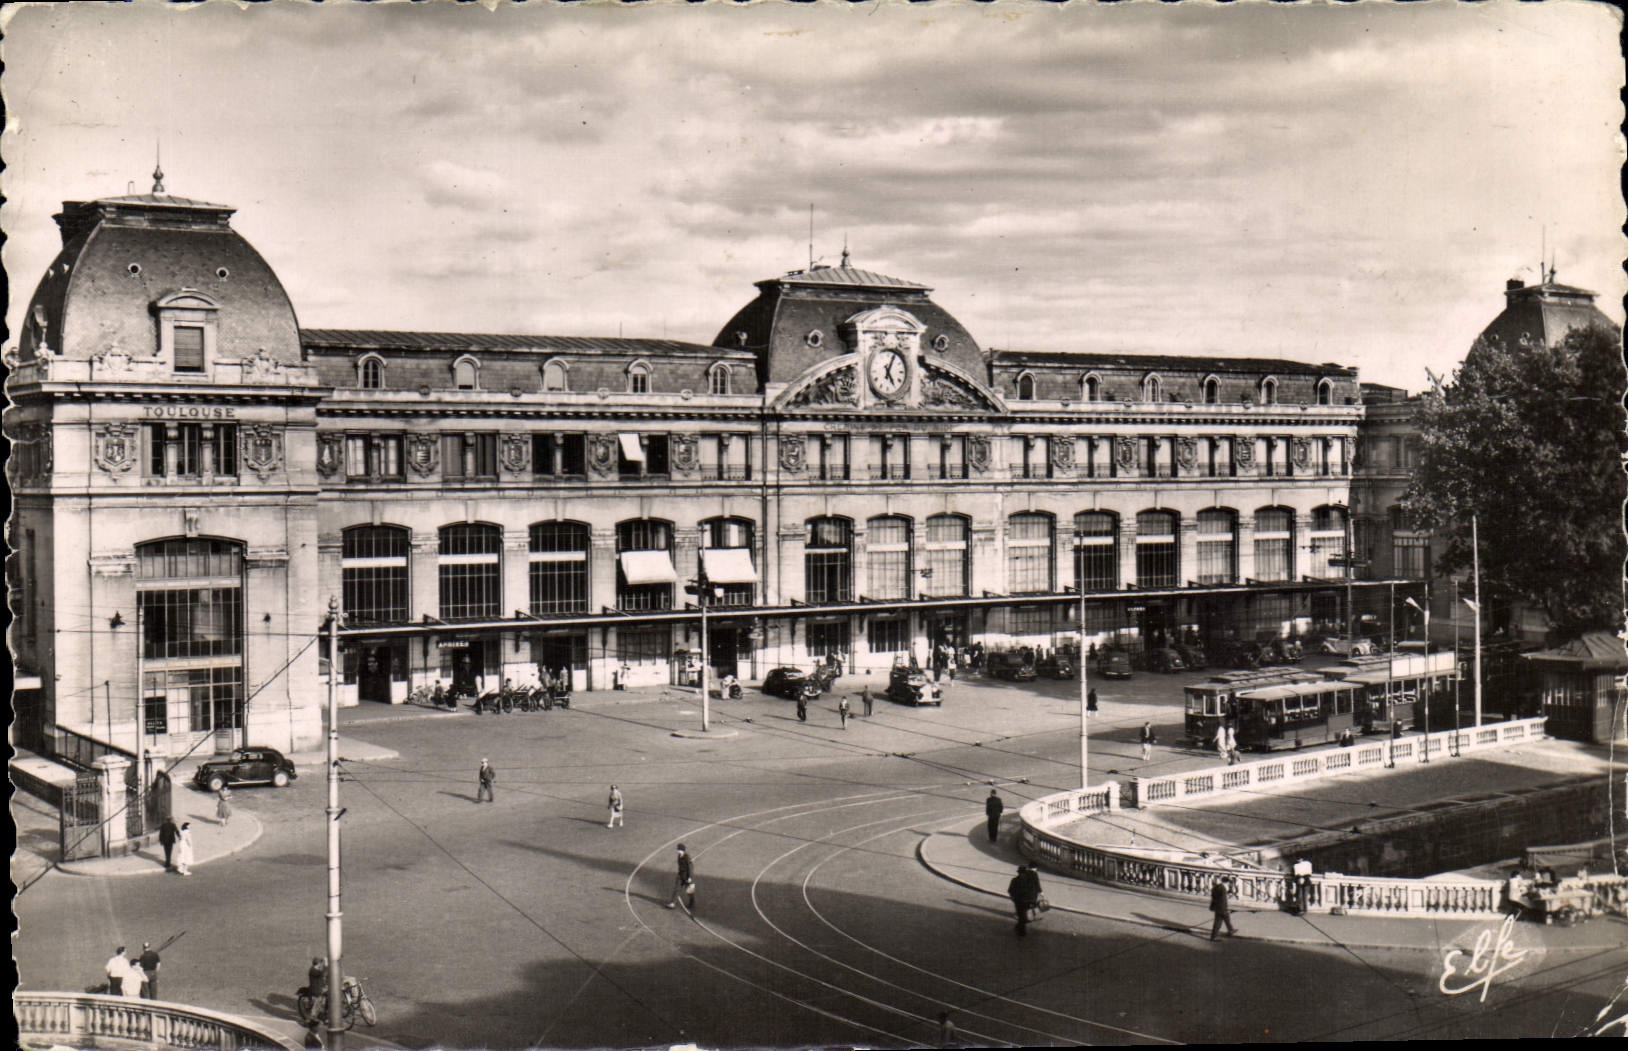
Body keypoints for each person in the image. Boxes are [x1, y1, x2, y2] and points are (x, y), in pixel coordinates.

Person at [666, 843, 696, 911]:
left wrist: (690, 877)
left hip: (687, 876)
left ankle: (692, 902)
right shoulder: (679, 856)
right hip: (681, 875)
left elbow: (690, 868)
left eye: (679, 850)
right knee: (677, 889)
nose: (677, 851)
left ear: (682, 850)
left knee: (689, 891)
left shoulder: (687, 857)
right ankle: (672, 903)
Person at [1008, 865, 1035, 936]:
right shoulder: (1015, 880)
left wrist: (1032, 900)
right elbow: (1010, 890)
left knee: (1022, 916)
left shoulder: (1028, 881)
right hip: (1019, 901)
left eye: (1023, 873)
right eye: (1022, 873)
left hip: (1025, 901)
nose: (1022, 874)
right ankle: (1021, 930)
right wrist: (1013, 898)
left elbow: (1032, 891)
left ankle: (1019, 928)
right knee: (1021, 916)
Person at [1209, 876, 1236, 940]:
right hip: (1222, 908)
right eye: (1228, 882)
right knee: (1220, 922)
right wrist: (1225, 909)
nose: (1229, 884)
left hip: (1218, 907)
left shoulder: (1217, 887)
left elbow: (1214, 897)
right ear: (1226, 882)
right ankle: (1230, 930)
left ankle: (1230, 930)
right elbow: (1223, 900)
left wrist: (1213, 906)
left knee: (1221, 921)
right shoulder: (1223, 888)